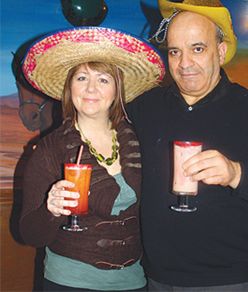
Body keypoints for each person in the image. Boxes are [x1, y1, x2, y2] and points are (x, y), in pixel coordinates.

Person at [126, 0, 248, 291]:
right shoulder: (144, 107)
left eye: (197, 49)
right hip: (153, 279)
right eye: (175, 51)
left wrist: (237, 173)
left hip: (228, 282)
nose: (184, 64)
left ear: (220, 52)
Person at [19, 27, 165, 292]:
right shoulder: (49, 149)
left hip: (134, 281)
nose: (91, 89)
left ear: (117, 90)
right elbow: (30, 235)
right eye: (82, 77)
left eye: (103, 80)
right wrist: (50, 210)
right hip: (69, 282)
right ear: (69, 87)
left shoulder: (140, 141)